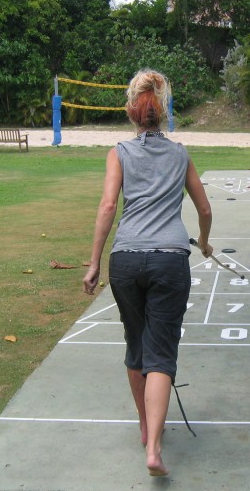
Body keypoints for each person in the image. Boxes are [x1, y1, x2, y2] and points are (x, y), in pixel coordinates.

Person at [82, 69, 213, 477]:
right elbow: (204, 209)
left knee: (136, 346)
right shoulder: (180, 153)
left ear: (133, 112)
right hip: (170, 260)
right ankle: (154, 449)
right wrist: (205, 242)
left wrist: (93, 263)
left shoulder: (118, 151)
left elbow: (107, 208)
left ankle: (144, 425)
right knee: (161, 353)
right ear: (162, 110)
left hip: (125, 261)